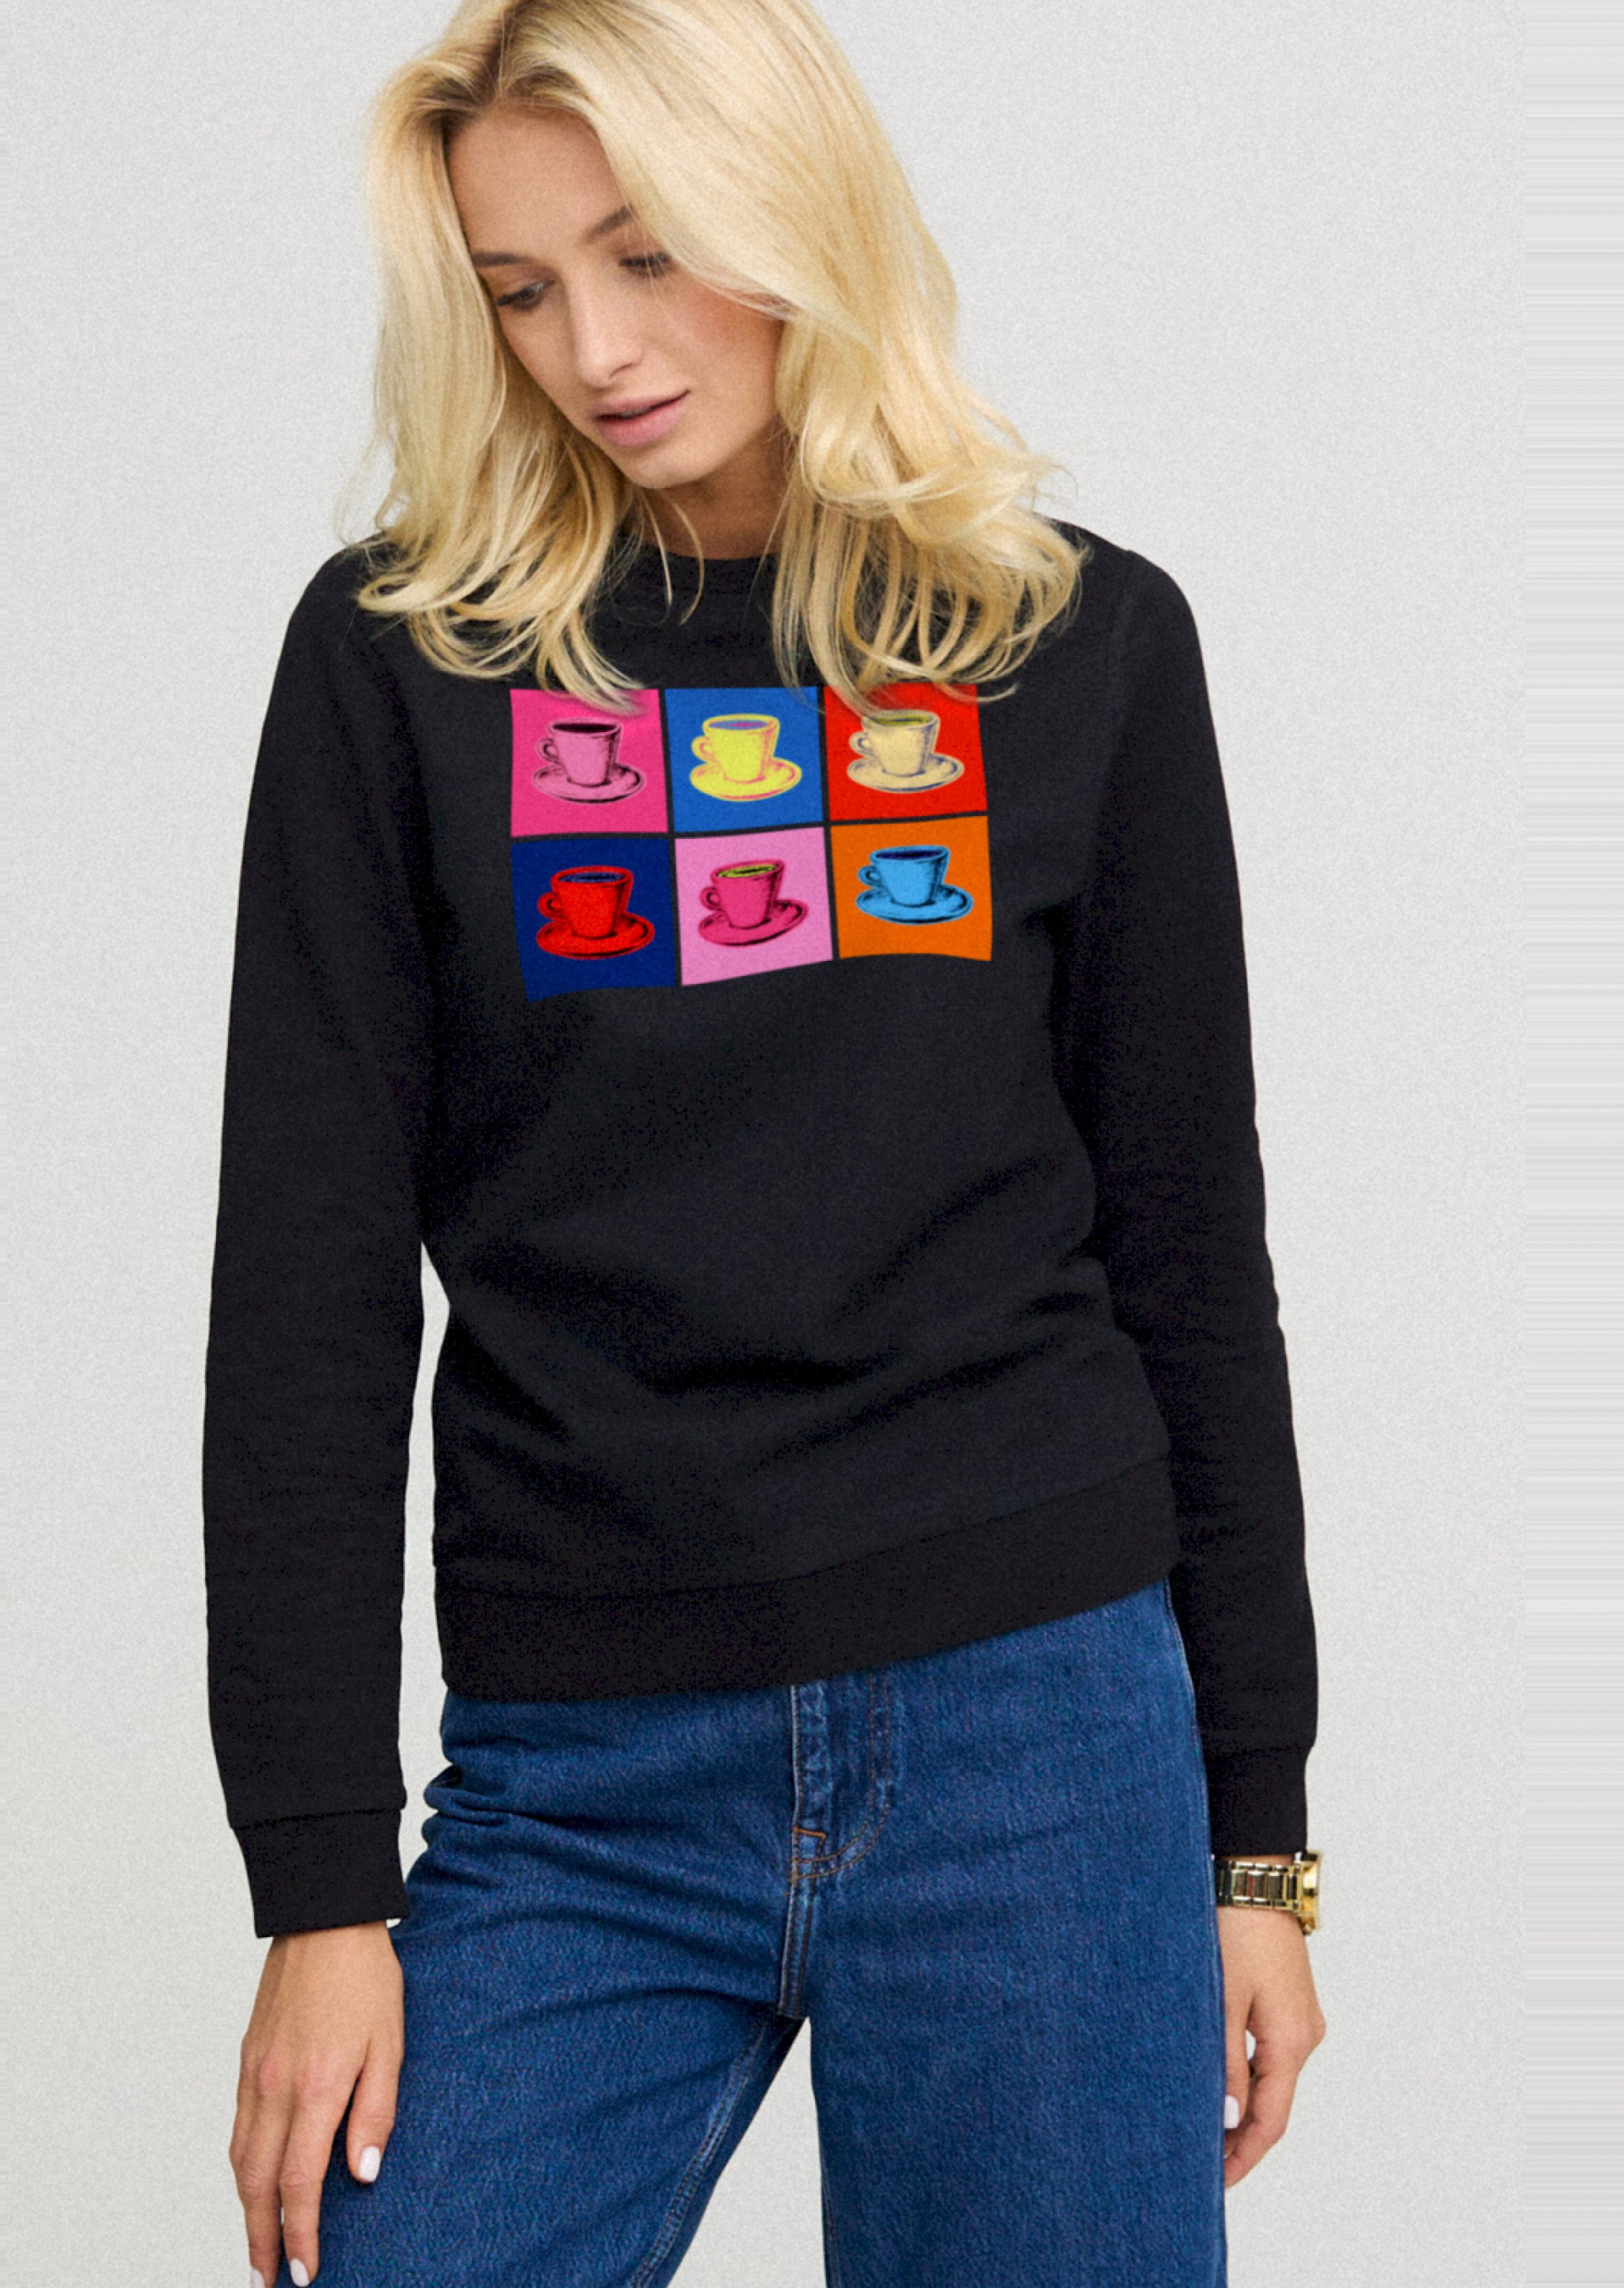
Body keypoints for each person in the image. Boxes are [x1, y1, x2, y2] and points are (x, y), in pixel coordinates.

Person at [202, 1, 1327, 2281]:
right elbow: (303, 1299)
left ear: (795, 210)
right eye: (521, 290)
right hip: (580, 1767)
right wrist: (317, 1884)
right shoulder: (404, 667)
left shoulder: (1075, 647)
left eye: (648, 254)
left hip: (1039, 1731)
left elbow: (1192, 1258)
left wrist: (1255, 1843)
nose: (593, 349)